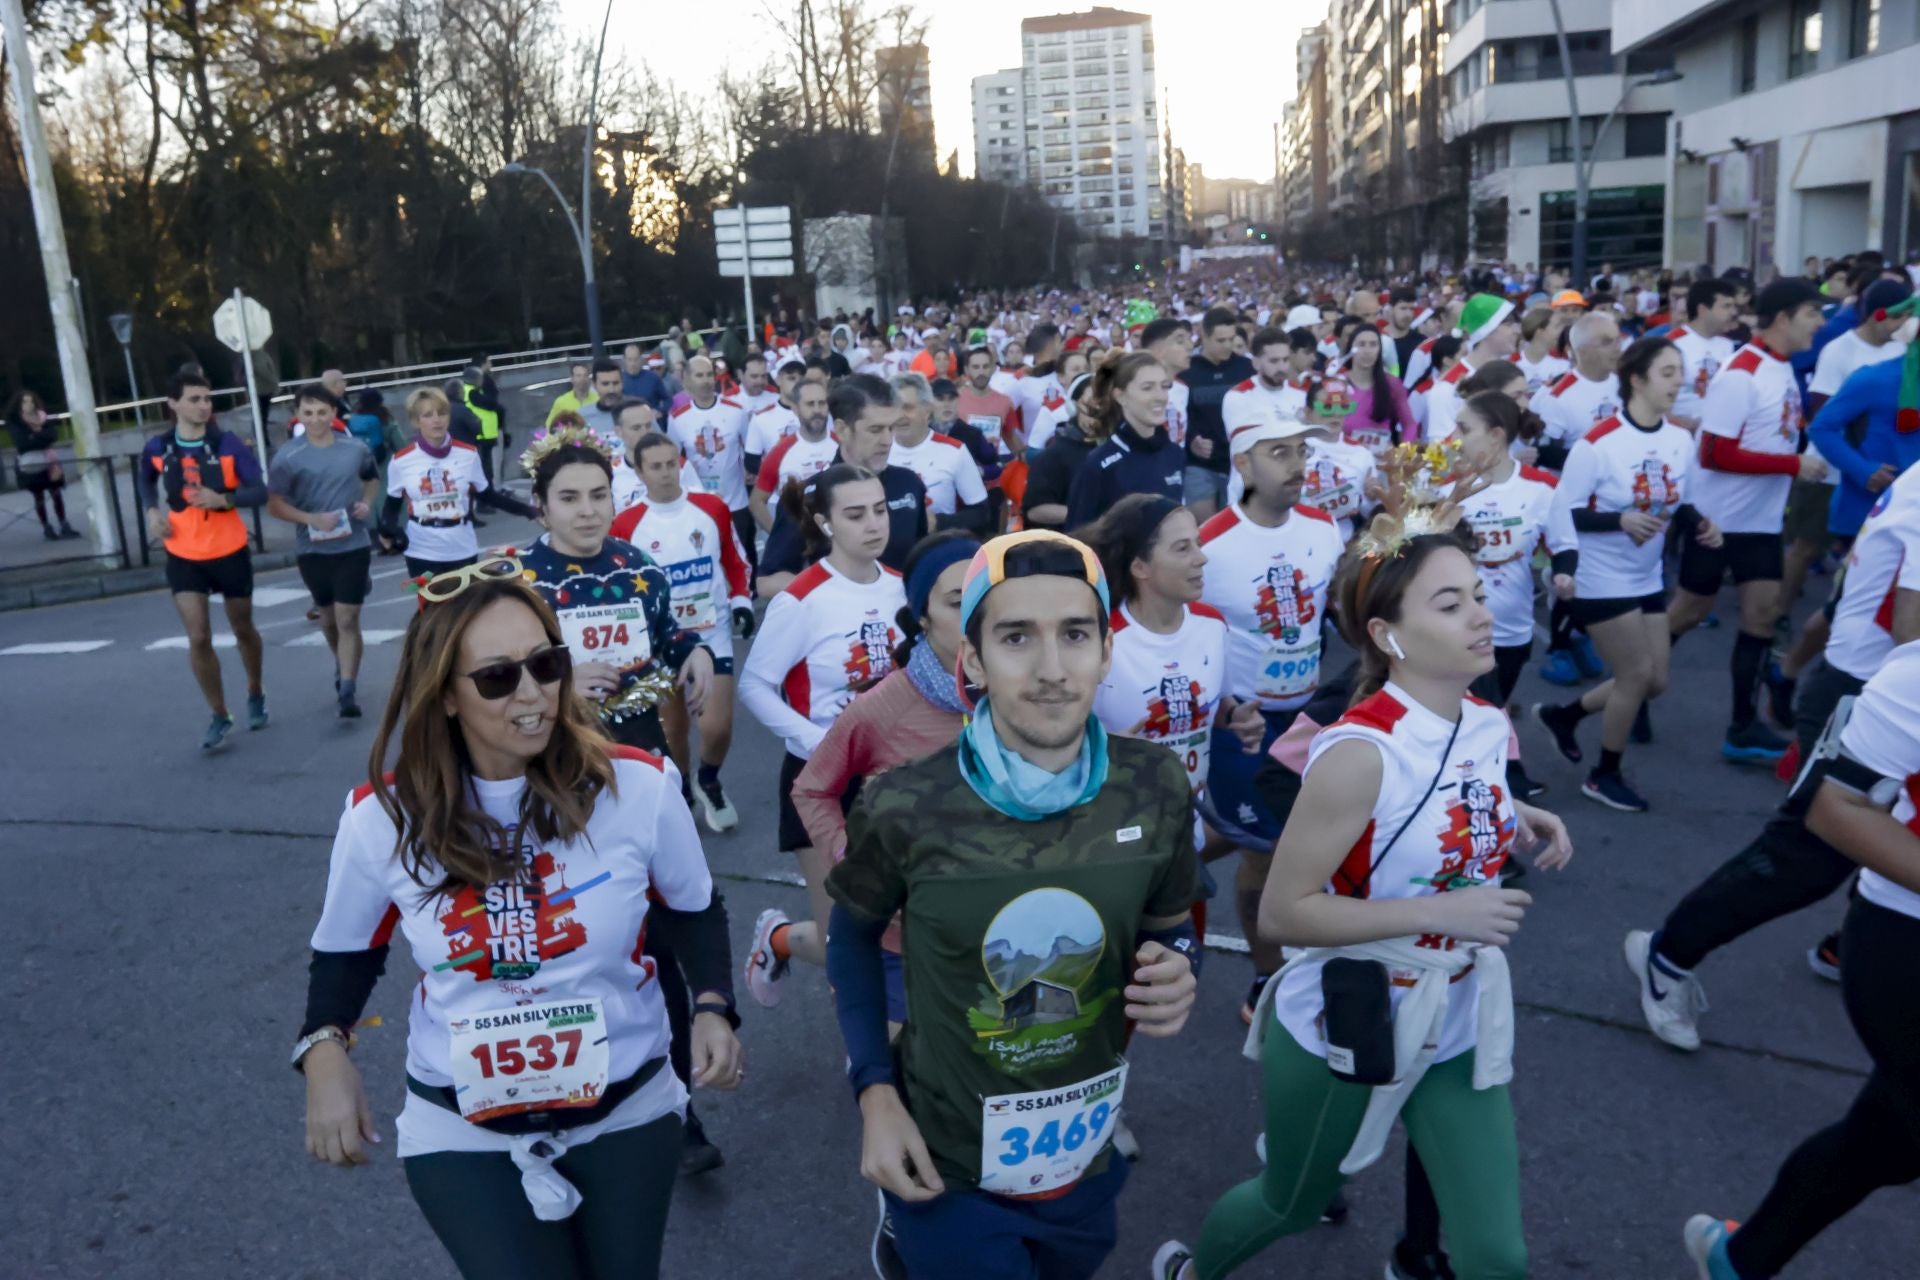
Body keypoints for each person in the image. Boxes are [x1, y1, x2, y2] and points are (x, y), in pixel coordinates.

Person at [1153, 508, 1573, 1280]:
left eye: (1479, 595)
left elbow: (1438, 804)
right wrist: (1441, 913)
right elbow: (1284, 912)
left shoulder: (1483, 721)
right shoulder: (1356, 751)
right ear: (1387, 636)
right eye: (1450, 605)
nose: (1483, 615)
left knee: (1495, 1256)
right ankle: (1190, 1271)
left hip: (1454, 1015)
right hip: (1348, 1011)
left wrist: (1510, 818)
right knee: (1290, 1201)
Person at [295, 558, 742, 1279]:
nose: (533, 694)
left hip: (627, 1113)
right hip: (460, 1129)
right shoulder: (381, 817)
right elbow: (345, 951)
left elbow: (693, 909)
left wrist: (716, 1006)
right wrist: (323, 1050)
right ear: (443, 694)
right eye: (499, 677)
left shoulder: (638, 786)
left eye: (547, 664)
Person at [827, 530, 1200, 1280]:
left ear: (1104, 652)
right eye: (1016, 637)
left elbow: (1171, 931)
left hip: (1082, 1164)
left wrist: (1179, 973)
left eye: (1075, 635)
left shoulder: (1155, 785)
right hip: (947, 1169)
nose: (1052, 670)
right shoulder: (906, 803)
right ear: (972, 660)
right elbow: (850, 940)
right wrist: (874, 1093)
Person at [1625, 463, 1920, 1052]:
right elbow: (1913, 623)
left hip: (1873, 686)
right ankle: (1669, 954)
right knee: (1809, 855)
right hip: (1867, 695)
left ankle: (1854, 943)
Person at [509, 427, 729, 1176]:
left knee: (663, 945)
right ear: (540, 506)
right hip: (550, 788)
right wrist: (564, 681)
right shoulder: (515, 585)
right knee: (572, 950)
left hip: (639, 780)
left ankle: (678, 1113)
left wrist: (696, 652)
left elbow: (672, 640)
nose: (587, 511)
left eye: (599, 495)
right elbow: (483, 683)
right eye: (568, 498)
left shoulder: (638, 569)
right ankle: (557, 1101)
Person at [1680, 639, 1920, 1280]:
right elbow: (1835, 806)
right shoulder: (1914, 675)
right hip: (1905, 943)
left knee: (1888, 1141)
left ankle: (1741, 1258)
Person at [739, 465, 908, 1007]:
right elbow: (756, 685)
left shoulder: (904, 588)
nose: (873, 524)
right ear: (824, 521)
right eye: (855, 514)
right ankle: (781, 939)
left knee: (902, 928)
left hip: (896, 777)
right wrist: (819, 742)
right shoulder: (802, 597)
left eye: (879, 509)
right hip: (822, 782)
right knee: (845, 936)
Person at [1197, 406, 1346, 1019]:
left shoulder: (1324, 527)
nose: (1296, 466)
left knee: (1294, 842)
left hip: (1310, 717)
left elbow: (1335, 611)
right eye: (1279, 452)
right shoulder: (1210, 545)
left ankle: (1158, 866)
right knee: (1263, 848)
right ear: (1243, 463)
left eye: (1302, 452)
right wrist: (1223, 708)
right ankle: (1266, 978)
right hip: (1244, 725)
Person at [1533, 338, 1719, 812]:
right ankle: (1604, 774)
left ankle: (1565, 716)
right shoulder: (1598, 443)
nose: (1681, 382)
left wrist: (1700, 523)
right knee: (1634, 675)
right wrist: (1617, 520)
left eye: (1681, 372)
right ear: (1636, 380)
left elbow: (1679, 501)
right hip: (1599, 575)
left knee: (1654, 682)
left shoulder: (1679, 438)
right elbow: (1563, 513)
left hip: (1646, 574)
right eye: (1668, 372)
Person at [1669, 278, 1830, 763]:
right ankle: (1631, 687)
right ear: (1783, 318)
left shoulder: (1780, 368)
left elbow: (1776, 431)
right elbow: (1714, 452)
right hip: (1716, 521)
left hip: (1760, 522)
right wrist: (1792, 464)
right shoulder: (1741, 372)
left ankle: (1742, 727)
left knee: (1761, 617)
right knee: (1689, 613)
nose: (1820, 324)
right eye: (1812, 314)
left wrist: (1799, 444)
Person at [611, 431, 756, 835]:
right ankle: (683, 790)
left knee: (717, 727)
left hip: (712, 633)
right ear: (639, 472)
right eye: (655, 467)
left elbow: (734, 558)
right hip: (659, 644)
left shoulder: (711, 508)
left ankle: (708, 778)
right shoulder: (626, 523)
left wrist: (742, 600)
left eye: (671, 463)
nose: (665, 473)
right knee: (672, 729)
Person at [139, 368, 270, 750]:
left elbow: (260, 490)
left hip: (228, 548)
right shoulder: (159, 447)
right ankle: (219, 712)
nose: (203, 406)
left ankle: (255, 689)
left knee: (243, 628)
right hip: (182, 551)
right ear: (174, 404)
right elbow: (144, 479)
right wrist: (151, 513)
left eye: (207, 399)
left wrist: (224, 499)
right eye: (194, 399)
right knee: (198, 635)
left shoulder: (228, 444)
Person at [1449, 392, 1558, 800]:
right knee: (1476, 719)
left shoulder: (1542, 487)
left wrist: (1562, 574)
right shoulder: (1448, 487)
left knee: (1493, 709)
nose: (1455, 439)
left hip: (1512, 628)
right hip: (1459, 629)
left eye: (1464, 430)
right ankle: (1485, 807)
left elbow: (1562, 544)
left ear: (1496, 435)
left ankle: (1504, 774)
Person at [267, 388, 382, 718]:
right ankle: (340, 662)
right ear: (298, 415)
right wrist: (311, 519)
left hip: (353, 545)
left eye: (321, 412)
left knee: (348, 618)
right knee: (330, 620)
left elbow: (371, 479)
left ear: (334, 413)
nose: (315, 419)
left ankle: (348, 687)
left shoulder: (354, 448)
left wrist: (366, 504)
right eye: (308, 413)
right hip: (313, 550)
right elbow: (275, 504)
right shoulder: (288, 457)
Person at [757, 375, 929, 594]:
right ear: (842, 430)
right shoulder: (809, 496)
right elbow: (768, 581)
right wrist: (837, 593)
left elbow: (922, 559)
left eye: (891, 428)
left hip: (902, 622)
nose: (887, 440)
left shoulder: (909, 483)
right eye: (875, 430)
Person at [380, 387, 539, 579]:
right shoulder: (401, 460)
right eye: (428, 415)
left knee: (466, 607)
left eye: (442, 413)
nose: (437, 420)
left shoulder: (468, 454)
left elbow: (487, 494)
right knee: (432, 608)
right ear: (416, 421)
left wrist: (530, 511)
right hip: (422, 548)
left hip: (461, 545)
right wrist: (389, 529)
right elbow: (392, 503)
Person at [1065, 354, 1184, 528]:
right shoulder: (1099, 464)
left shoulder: (1174, 454)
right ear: (1121, 396)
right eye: (1147, 388)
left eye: (1164, 387)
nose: (1160, 396)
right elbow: (1078, 536)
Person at [665, 354, 755, 571]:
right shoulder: (678, 418)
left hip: (736, 503)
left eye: (709, 375)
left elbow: (750, 450)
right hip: (699, 506)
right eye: (699, 375)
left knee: (745, 559)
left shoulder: (736, 410)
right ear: (687, 379)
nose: (705, 380)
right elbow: (673, 459)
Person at [888, 372, 991, 532]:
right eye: (894, 408)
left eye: (908, 408)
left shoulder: (954, 450)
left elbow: (981, 514)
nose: (900, 416)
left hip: (938, 548)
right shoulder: (877, 451)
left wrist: (939, 523)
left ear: (927, 410)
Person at [1182, 306, 1255, 517]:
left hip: (1238, 461)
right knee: (1204, 530)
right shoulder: (1188, 370)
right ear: (1203, 336)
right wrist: (1192, 439)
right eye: (1220, 340)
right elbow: (1179, 415)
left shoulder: (1246, 368)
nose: (1227, 346)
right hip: (1200, 464)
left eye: (1231, 339)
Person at [1530, 311, 1624, 470]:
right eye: (1607, 342)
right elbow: (1543, 452)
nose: (1617, 349)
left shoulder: (1626, 384)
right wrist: (1598, 465)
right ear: (1582, 350)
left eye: (1618, 340)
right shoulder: (1557, 397)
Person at [1424, 294, 1520, 442]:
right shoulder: (1448, 387)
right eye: (1508, 324)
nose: (1517, 330)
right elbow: (1441, 451)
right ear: (1487, 330)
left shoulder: (1514, 374)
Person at [750, 376, 838, 535]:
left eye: (822, 403)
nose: (817, 410)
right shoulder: (781, 451)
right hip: (797, 548)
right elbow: (756, 502)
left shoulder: (842, 444)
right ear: (796, 408)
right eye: (810, 404)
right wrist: (779, 535)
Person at [1021, 373, 1101, 531]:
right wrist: (1089, 515)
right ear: (1073, 406)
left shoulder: (1121, 449)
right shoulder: (1053, 456)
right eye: (1090, 407)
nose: (1097, 414)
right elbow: (1034, 511)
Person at [4, 390, 79, 540]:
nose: (29, 405)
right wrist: (40, 436)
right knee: (39, 497)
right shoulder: (15, 421)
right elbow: (22, 442)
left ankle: (64, 524)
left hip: (50, 462)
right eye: (25, 402)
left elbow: (52, 435)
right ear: (19, 405)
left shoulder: (42, 416)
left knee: (56, 494)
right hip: (31, 463)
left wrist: (35, 436)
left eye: (31, 401)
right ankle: (46, 527)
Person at [1667, 279, 1741, 431]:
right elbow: (1654, 404)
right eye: (1726, 306)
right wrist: (1688, 426)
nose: (1734, 312)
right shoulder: (1671, 344)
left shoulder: (1728, 346)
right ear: (1702, 310)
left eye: (1734, 306)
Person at [1339, 325, 1414, 459]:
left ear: (1380, 350)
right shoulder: (1337, 383)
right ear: (1351, 348)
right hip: (1345, 460)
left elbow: (1409, 424)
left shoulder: (1392, 384)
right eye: (1361, 344)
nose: (1367, 351)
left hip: (1381, 461)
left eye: (1373, 345)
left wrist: (1402, 454)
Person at [1142, 316, 1195, 447]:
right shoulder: (1137, 390)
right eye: (1180, 342)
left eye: (1189, 340)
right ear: (1156, 350)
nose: (1190, 346)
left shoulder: (1183, 388)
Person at [461, 360, 504, 487]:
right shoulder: (472, 392)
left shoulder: (468, 390)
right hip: (482, 435)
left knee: (485, 468)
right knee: (485, 470)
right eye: (480, 378)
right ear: (475, 379)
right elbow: (492, 404)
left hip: (482, 435)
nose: (482, 381)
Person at [1510, 308, 1571, 395]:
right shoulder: (1513, 365)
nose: (1561, 331)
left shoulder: (1564, 363)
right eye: (1557, 326)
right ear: (1540, 332)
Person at [621, 342, 672, 415]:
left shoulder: (653, 378)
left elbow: (668, 400)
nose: (633, 363)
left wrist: (659, 411)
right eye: (629, 359)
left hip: (650, 422)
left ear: (641, 359)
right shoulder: (618, 380)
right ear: (624, 360)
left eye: (636, 359)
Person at [546, 362, 596, 426]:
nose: (582, 379)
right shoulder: (561, 402)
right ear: (572, 379)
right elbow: (550, 425)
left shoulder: (598, 399)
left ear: (589, 378)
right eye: (578, 376)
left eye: (585, 375)